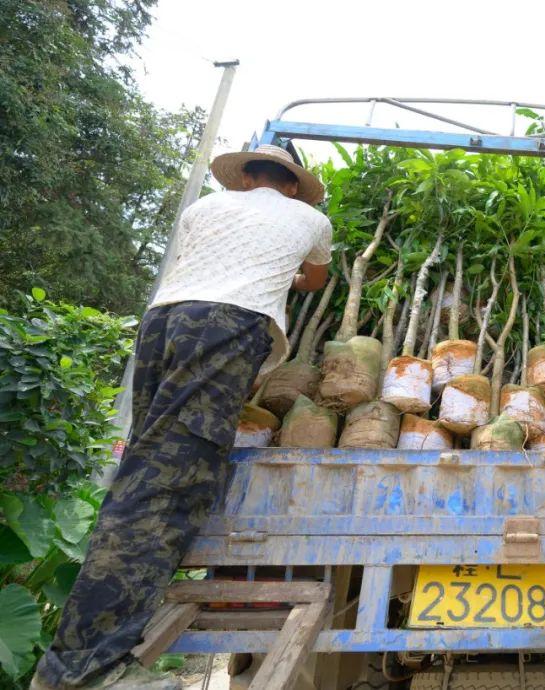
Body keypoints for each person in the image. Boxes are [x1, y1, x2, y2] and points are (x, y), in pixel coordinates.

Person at [31, 145, 333, 690]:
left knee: (144, 471)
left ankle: (79, 658)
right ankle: (86, 670)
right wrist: (287, 274)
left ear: (244, 177)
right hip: (226, 327)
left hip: (163, 322)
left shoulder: (206, 210)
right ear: (292, 185)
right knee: (166, 486)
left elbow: (200, 265)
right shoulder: (310, 218)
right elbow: (314, 279)